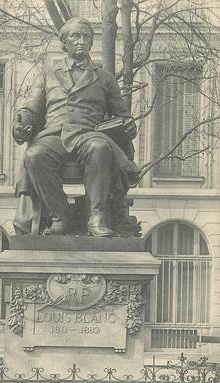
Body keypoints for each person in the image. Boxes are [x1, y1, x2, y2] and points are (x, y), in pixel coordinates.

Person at [13, 17, 140, 237]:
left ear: (91, 42)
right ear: (64, 42)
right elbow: (31, 109)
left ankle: (96, 217)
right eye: (75, 36)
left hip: (88, 134)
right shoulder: (47, 74)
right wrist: (21, 124)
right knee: (34, 155)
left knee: (100, 148)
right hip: (54, 134)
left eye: (86, 36)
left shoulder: (105, 78)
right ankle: (61, 215)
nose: (81, 41)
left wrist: (129, 126)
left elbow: (123, 115)